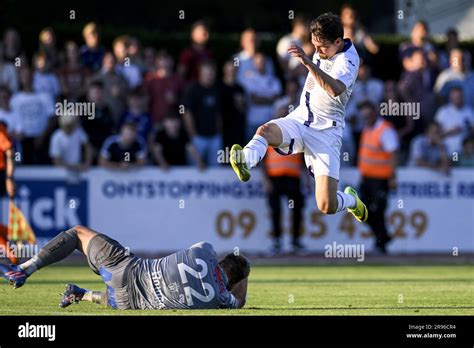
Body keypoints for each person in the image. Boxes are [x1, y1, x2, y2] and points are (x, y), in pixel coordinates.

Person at [230, 13, 368, 223]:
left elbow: (335, 89)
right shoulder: (324, 47)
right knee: (265, 131)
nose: (318, 51)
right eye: (314, 45)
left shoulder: (349, 59)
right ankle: (245, 161)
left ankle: (350, 200)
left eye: (322, 47)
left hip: (326, 133)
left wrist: (307, 62)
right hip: (301, 118)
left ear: (338, 42)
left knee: (326, 205)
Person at [0, 225, 250, 310]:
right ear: (234, 281)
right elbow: (241, 303)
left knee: (77, 233)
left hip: (128, 269)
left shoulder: (204, 251)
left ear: (222, 261)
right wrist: (243, 276)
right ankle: (82, 294)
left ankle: (24, 269)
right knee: (128, 298)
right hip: (128, 302)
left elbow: (204, 255)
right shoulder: (222, 298)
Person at [357, 100, 399, 253]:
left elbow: (393, 153)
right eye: (364, 117)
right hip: (367, 178)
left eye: (368, 115)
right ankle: (383, 237)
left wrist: (392, 177)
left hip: (381, 179)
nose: (366, 119)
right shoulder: (367, 129)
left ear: (375, 113)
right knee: (361, 211)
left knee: (377, 210)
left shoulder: (385, 130)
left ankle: (381, 242)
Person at [10, 68, 56, 164]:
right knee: (22, 168)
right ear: (20, 78)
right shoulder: (14, 99)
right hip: (22, 141)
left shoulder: (45, 96)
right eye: (24, 76)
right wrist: (15, 134)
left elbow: (52, 118)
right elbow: (10, 118)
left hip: (42, 139)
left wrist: (43, 135)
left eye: (29, 75)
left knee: (43, 168)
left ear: (33, 77)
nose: (27, 78)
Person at [182, 61, 222, 166]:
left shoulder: (217, 89)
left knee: (216, 168)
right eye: (206, 73)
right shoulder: (192, 89)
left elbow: (218, 113)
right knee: (195, 168)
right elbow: (186, 112)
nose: (209, 76)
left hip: (215, 137)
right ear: (200, 73)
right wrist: (193, 134)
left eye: (211, 73)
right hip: (198, 137)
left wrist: (219, 131)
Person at [239, 52, 282, 139]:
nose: (260, 64)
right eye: (258, 62)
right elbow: (254, 99)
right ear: (254, 64)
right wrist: (268, 99)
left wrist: (261, 99)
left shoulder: (273, 79)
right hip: (252, 121)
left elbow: (277, 98)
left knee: (268, 151)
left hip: (269, 121)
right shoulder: (249, 78)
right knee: (250, 150)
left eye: (263, 62)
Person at [144, 51, 184, 125]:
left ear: (172, 62)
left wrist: (176, 101)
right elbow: (143, 99)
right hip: (154, 120)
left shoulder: (178, 79)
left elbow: (184, 104)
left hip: (173, 123)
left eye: (167, 60)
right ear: (157, 62)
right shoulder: (150, 78)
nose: (165, 63)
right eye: (162, 59)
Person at [434, 86, 474, 156]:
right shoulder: (443, 111)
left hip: (465, 153)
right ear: (451, 98)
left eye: (459, 97)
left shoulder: (469, 111)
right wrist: (451, 131)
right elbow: (435, 134)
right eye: (455, 97)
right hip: (449, 151)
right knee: (454, 162)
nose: (458, 99)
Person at [220, 60, 246, 152]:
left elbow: (243, 110)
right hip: (222, 128)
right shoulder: (218, 87)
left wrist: (240, 103)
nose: (231, 72)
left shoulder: (240, 88)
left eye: (233, 70)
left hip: (237, 128)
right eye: (229, 70)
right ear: (224, 70)